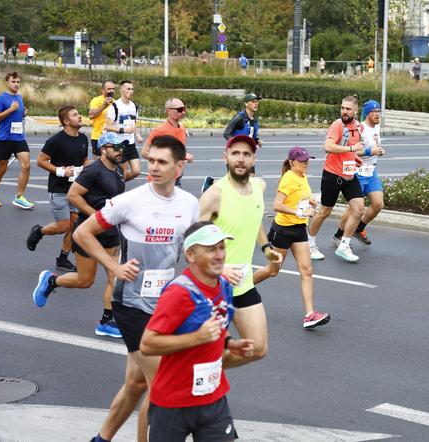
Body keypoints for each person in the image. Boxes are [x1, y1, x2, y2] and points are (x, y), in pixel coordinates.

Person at [75, 135, 198, 442]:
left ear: (179, 167)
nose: (152, 167)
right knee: (163, 386)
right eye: (151, 160)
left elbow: (193, 252)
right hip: (131, 305)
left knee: (136, 384)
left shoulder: (189, 204)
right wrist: (113, 266)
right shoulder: (130, 201)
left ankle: (101, 439)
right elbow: (82, 233)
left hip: (165, 306)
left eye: (162, 162)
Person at [140, 221, 255, 442]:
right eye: (211, 249)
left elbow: (218, 326)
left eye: (222, 247)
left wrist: (230, 343)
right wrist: (197, 337)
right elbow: (147, 344)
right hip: (173, 402)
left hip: (213, 397)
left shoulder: (224, 286)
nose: (220, 255)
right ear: (191, 255)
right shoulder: (179, 293)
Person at [199, 135, 283, 367]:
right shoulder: (214, 195)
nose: (240, 159)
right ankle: (198, 373)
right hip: (213, 287)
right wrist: (219, 268)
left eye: (246, 154)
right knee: (210, 347)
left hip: (243, 284)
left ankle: (204, 371)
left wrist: (266, 248)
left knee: (258, 348)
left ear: (254, 159)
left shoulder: (259, 186)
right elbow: (191, 242)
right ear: (225, 157)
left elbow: (253, 219)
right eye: (235, 153)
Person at [31, 132, 126, 339]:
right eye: (116, 147)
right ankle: (51, 281)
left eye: (122, 147)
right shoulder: (93, 170)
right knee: (85, 281)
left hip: (110, 233)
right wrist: (97, 217)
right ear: (103, 149)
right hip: (88, 232)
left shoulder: (119, 170)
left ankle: (106, 321)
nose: (120, 150)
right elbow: (73, 195)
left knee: (114, 276)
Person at [253, 147, 330, 329]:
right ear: (292, 162)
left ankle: (310, 315)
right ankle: (237, 290)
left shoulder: (302, 176)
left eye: (307, 160)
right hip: (283, 230)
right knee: (272, 271)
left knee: (307, 270)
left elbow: (300, 196)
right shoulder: (288, 178)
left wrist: (309, 201)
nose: (306, 163)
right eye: (302, 161)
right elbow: (277, 205)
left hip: (299, 229)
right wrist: (296, 210)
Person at [27, 105, 90, 273]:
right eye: (75, 115)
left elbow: (84, 159)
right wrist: (61, 171)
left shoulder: (83, 138)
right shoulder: (56, 140)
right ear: (66, 121)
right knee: (63, 226)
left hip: (76, 190)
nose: (79, 116)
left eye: (78, 114)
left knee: (73, 226)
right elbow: (41, 160)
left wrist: (87, 168)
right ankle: (39, 231)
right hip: (59, 189)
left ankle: (63, 259)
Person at [307, 95, 365, 262]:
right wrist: (351, 148)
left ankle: (344, 245)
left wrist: (355, 156)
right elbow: (329, 146)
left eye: (348, 109)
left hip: (349, 174)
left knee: (359, 209)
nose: (344, 111)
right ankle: (310, 244)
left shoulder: (358, 127)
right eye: (342, 108)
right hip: (332, 174)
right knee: (325, 211)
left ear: (355, 111)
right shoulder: (337, 125)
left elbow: (351, 149)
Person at [332, 99, 385, 247]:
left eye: (378, 112)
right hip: (358, 171)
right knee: (353, 209)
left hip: (371, 171)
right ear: (367, 114)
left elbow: (375, 145)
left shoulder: (377, 127)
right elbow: (353, 151)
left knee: (378, 204)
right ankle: (338, 235)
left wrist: (379, 150)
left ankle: (359, 228)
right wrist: (370, 151)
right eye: (374, 112)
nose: (377, 114)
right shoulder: (360, 128)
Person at [201, 93, 262, 193]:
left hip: (248, 153)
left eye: (257, 102)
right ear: (246, 103)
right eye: (253, 101)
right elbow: (226, 133)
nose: (256, 104)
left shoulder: (254, 119)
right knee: (235, 181)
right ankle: (211, 184)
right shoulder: (239, 118)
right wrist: (238, 144)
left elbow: (251, 134)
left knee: (249, 178)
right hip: (235, 153)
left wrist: (256, 141)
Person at [0, 71, 34, 209]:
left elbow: (17, 115)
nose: (16, 84)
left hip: (19, 138)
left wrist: (22, 113)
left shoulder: (20, 97)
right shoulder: (1, 98)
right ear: (7, 83)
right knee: (2, 169)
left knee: (26, 166)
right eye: (13, 82)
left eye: (18, 82)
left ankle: (19, 197)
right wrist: (11, 110)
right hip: (4, 139)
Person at [140, 97, 193, 187]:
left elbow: (176, 151)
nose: (183, 112)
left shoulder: (182, 129)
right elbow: (144, 152)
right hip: (160, 181)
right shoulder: (160, 130)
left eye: (184, 109)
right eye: (179, 110)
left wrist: (184, 156)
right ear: (169, 111)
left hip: (176, 178)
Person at [105, 80, 143, 181]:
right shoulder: (115, 106)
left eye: (132, 89)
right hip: (119, 144)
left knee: (136, 171)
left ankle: (115, 184)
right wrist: (124, 130)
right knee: (124, 173)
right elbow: (108, 127)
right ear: (121, 90)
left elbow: (134, 124)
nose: (131, 91)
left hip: (130, 143)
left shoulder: (134, 106)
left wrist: (138, 134)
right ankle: (117, 188)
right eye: (128, 89)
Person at [88, 81, 115, 159]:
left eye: (113, 89)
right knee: (99, 164)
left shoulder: (115, 102)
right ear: (103, 90)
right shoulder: (96, 100)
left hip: (111, 138)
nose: (111, 91)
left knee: (112, 164)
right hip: (98, 137)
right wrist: (104, 105)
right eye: (109, 89)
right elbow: (91, 115)